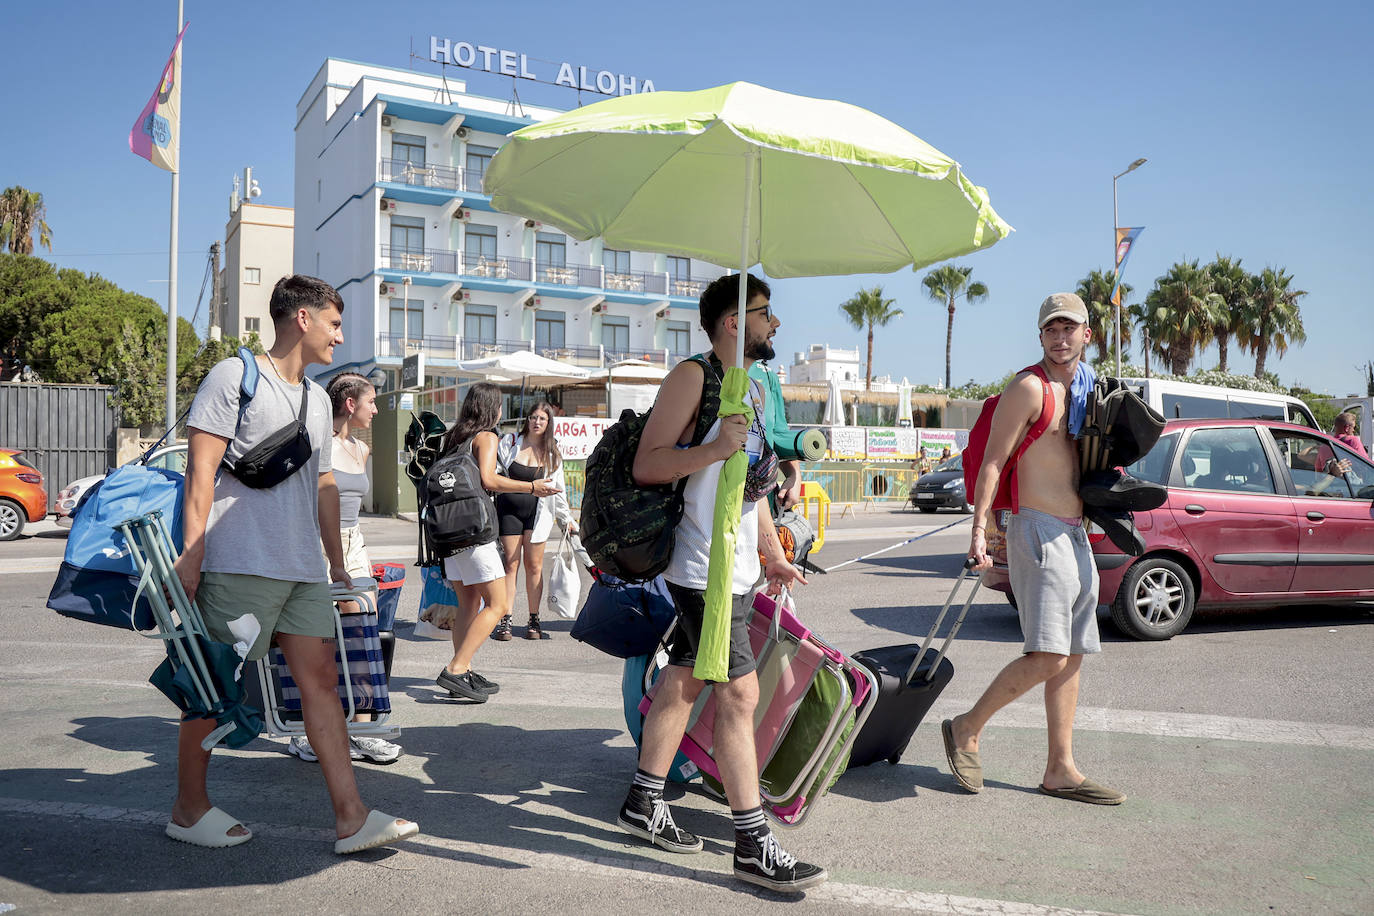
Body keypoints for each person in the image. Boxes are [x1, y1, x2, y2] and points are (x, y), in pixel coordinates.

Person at [171, 275, 417, 853]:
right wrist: (192, 552)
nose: (339, 335)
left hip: (302, 568)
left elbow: (324, 485)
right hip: (240, 564)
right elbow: (200, 472)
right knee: (214, 687)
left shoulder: (315, 397)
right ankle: (187, 808)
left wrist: (335, 561)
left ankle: (351, 817)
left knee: (322, 685)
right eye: (333, 323)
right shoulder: (235, 377)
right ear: (302, 319)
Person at [617, 273, 823, 893]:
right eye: (766, 313)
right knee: (738, 696)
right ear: (733, 322)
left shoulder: (752, 385)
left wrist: (772, 553)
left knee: (683, 677)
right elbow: (648, 463)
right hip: (700, 565)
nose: (776, 324)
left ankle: (642, 801)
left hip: (736, 565)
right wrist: (712, 450)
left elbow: (752, 484)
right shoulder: (693, 377)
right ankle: (752, 842)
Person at [945, 292, 1126, 806]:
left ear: (1087, 334)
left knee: (1071, 656)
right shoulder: (1028, 388)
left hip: (1076, 530)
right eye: (1052, 329)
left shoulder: (1093, 392)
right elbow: (992, 464)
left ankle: (1060, 769)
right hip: (1036, 529)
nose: (1061, 337)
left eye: (1070, 328)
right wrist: (980, 532)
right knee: (1047, 653)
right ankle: (966, 727)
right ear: (1041, 335)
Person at [287, 372, 402, 765]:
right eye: (370, 402)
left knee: (364, 630)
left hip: (354, 543)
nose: (375, 409)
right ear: (350, 404)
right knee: (318, 638)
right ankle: (308, 731)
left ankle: (362, 728)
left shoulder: (361, 449)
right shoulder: (319, 444)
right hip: (318, 543)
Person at [434, 383, 560, 701]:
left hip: (450, 533)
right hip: (476, 532)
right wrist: (532, 488)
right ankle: (456, 668)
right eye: (500, 405)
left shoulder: (454, 437)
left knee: (468, 604)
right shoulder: (486, 437)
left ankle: (462, 674)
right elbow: (489, 479)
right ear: (492, 408)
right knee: (499, 603)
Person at [494, 400, 577, 641]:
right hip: (508, 511)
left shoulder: (553, 453)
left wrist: (566, 520)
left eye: (542, 418)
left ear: (549, 422)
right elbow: (495, 474)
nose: (536, 422)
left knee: (534, 567)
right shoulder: (510, 443)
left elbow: (558, 491)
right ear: (527, 420)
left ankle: (533, 618)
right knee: (510, 565)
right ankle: (505, 619)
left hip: (538, 516)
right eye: (533, 417)